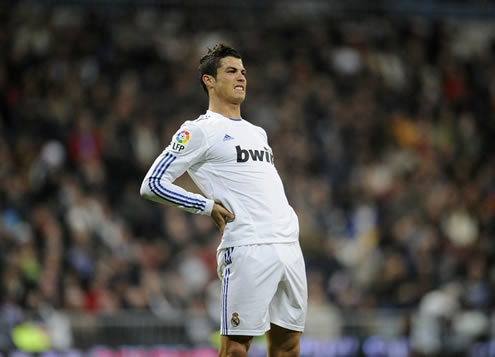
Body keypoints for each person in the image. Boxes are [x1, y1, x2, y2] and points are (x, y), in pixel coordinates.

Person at [140, 44, 307, 357]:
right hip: (247, 248)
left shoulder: (258, 132)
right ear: (209, 81)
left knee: (289, 346)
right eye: (231, 71)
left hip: (288, 245)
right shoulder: (198, 131)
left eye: (243, 71)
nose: (241, 77)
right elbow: (152, 184)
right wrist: (203, 206)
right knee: (235, 349)